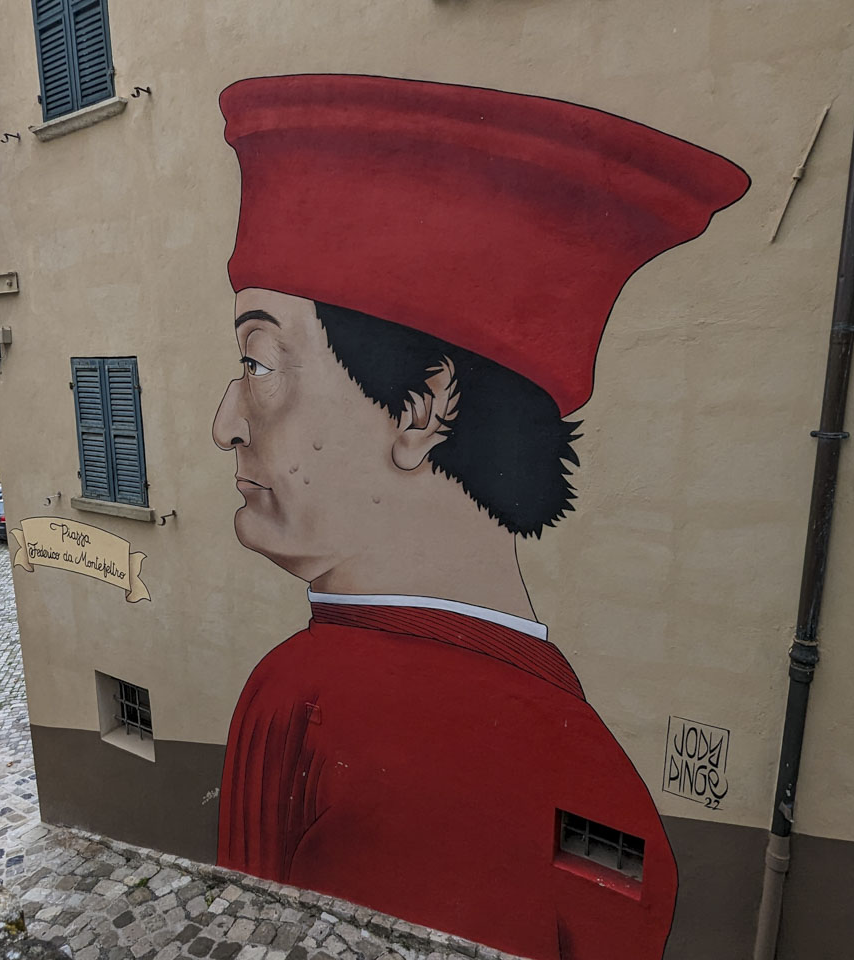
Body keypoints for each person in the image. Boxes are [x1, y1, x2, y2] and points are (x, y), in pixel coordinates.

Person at [212, 74, 749, 960]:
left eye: (260, 362)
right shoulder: (554, 730)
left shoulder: (357, 707)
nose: (225, 422)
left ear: (423, 410)